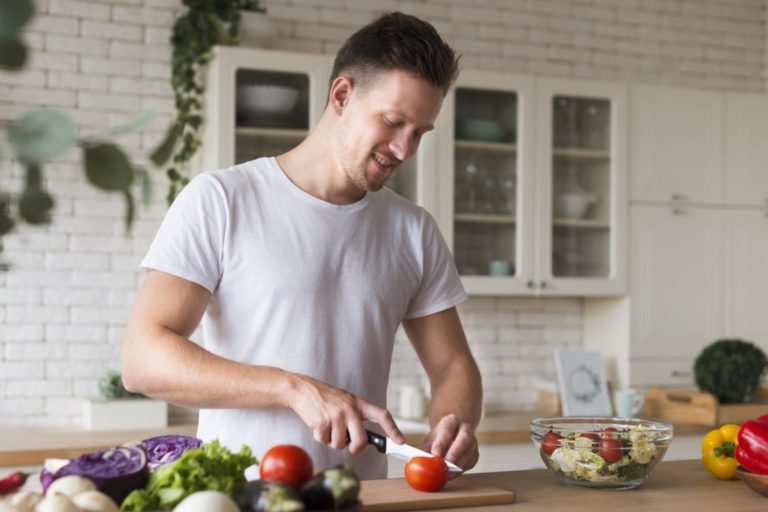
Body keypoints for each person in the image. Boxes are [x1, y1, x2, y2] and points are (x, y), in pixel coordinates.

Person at [121, 11, 483, 480]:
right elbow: (143, 359)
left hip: (361, 496)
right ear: (341, 95)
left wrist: (454, 423)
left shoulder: (412, 230)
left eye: (419, 133)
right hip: (238, 496)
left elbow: (454, 365)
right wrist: (293, 389)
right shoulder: (222, 200)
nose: (404, 150)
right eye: (393, 122)